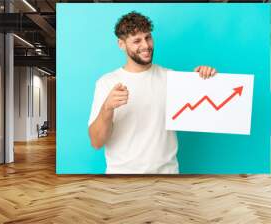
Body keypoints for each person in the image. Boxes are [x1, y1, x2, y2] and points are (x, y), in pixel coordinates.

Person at [88, 11, 217, 174]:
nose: (146, 45)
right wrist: (107, 108)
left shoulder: (172, 78)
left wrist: (205, 78)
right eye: (137, 41)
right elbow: (96, 142)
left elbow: (206, 108)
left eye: (148, 37)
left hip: (167, 177)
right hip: (122, 179)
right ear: (121, 44)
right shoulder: (106, 83)